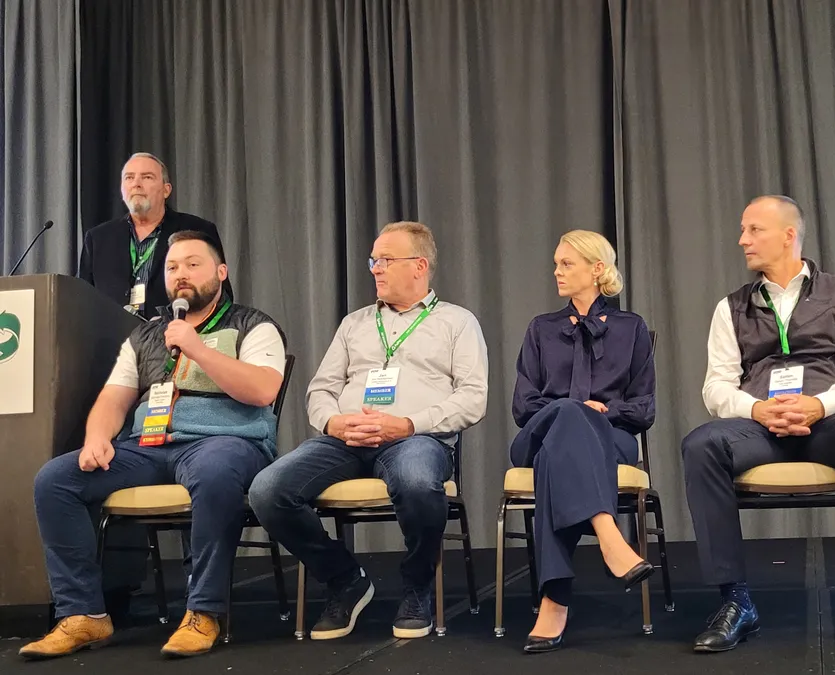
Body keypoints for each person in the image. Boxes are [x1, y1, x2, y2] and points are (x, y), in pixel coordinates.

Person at [21, 230, 287, 660]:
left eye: (193, 264)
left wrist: (197, 348)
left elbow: (261, 391)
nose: (181, 274)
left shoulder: (252, 324)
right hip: (149, 446)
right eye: (172, 267)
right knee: (56, 479)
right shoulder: (146, 336)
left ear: (221, 272)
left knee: (215, 473)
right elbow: (114, 398)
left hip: (224, 442)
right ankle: (82, 613)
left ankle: (203, 611)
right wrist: (96, 439)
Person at [249, 221, 488, 641]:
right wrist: (333, 422)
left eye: (384, 260)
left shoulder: (457, 322)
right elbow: (320, 390)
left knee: (416, 482)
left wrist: (410, 423)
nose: (374, 269)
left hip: (416, 438)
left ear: (420, 266)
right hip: (345, 441)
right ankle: (345, 579)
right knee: (267, 490)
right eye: (372, 260)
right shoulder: (354, 323)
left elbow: (472, 398)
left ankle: (416, 587)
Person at [681, 195, 835, 654]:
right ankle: (735, 601)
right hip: (758, 426)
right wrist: (756, 410)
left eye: (753, 229)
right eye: (743, 230)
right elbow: (715, 387)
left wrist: (820, 405)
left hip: (827, 421)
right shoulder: (731, 307)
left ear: (788, 235)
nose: (742, 240)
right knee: (701, 445)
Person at [509, 230, 656, 654]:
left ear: (597, 269)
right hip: (537, 437)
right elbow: (523, 406)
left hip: (611, 441)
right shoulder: (541, 329)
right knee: (569, 416)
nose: (556, 271)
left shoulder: (632, 328)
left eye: (566, 264)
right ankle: (610, 538)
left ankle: (553, 601)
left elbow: (644, 409)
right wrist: (574, 410)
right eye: (556, 263)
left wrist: (603, 413)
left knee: (565, 449)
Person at [79, 152, 230, 319]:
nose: (136, 184)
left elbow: (222, 297)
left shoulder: (197, 230)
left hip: (176, 337)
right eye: (129, 178)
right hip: (114, 342)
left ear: (166, 190)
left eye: (147, 177)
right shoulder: (98, 238)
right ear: (122, 190)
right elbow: (83, 303)